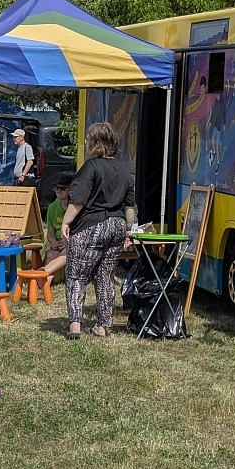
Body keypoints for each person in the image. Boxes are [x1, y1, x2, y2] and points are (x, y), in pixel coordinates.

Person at [60, 122, 135, 339]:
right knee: (105, 276)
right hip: (117, 225)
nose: (86, 143)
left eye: (88, 139)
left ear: (95, 143)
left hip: (91, 226)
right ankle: (104, 325)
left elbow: (78, 201)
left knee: (76, 275)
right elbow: (129, 205)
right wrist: (128, 230)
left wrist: (66, 222)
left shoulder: (90, 167)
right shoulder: (123, 169)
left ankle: (75, 325)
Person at [42, 172, 74, 279]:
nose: (59, 190)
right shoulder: (52, 207)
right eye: (56, 188)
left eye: (63, 188)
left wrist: (66, 243)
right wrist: (52, 241)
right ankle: (45, 283)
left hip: (72, 242)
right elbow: (50, 232)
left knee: (65, 253)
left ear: (71, 190)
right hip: (58, 242)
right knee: (51, 254)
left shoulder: (76, 207)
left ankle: (43, 276)